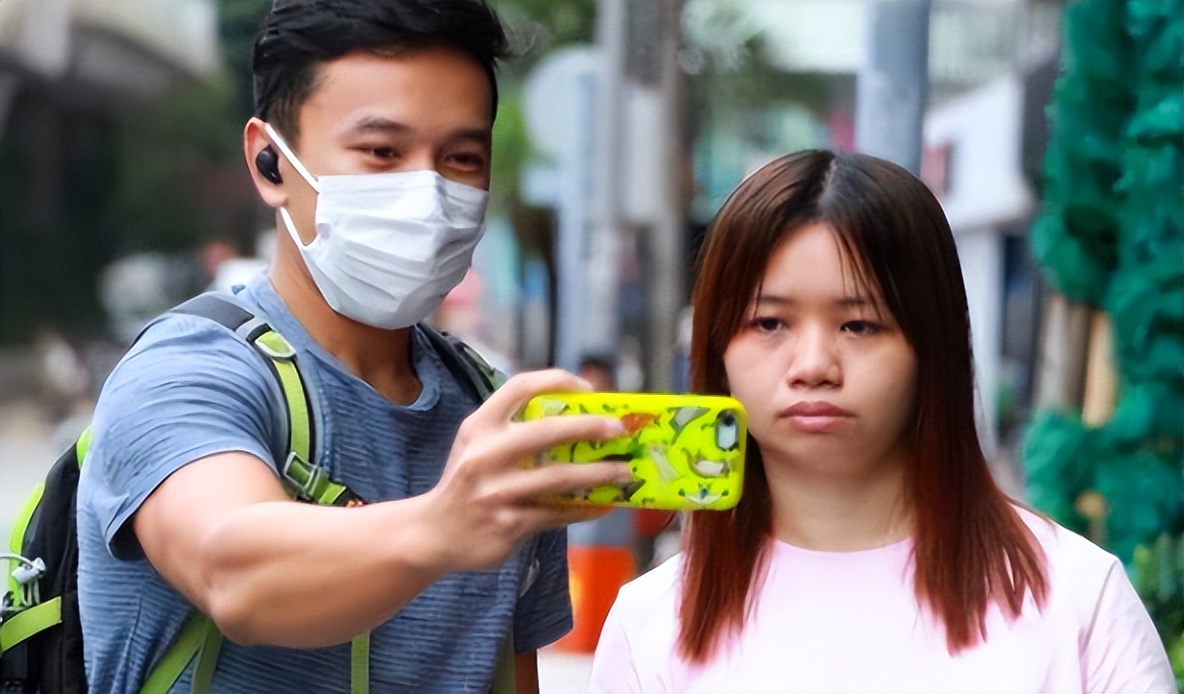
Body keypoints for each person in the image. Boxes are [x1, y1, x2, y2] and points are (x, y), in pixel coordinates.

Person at [75, 2, 633, 691]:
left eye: (462, 158)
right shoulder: (187, 371)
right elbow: (234, 572)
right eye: (382, 151)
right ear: (269, 161)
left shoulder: (492, 423)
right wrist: (443, 525)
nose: (429, 194)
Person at [588, 150, 1175, 692]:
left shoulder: (1075, 596)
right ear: (716, 350)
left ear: (932, 346)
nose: (813, 365)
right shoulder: (654, 623)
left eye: (859, 325)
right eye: (769, 323)